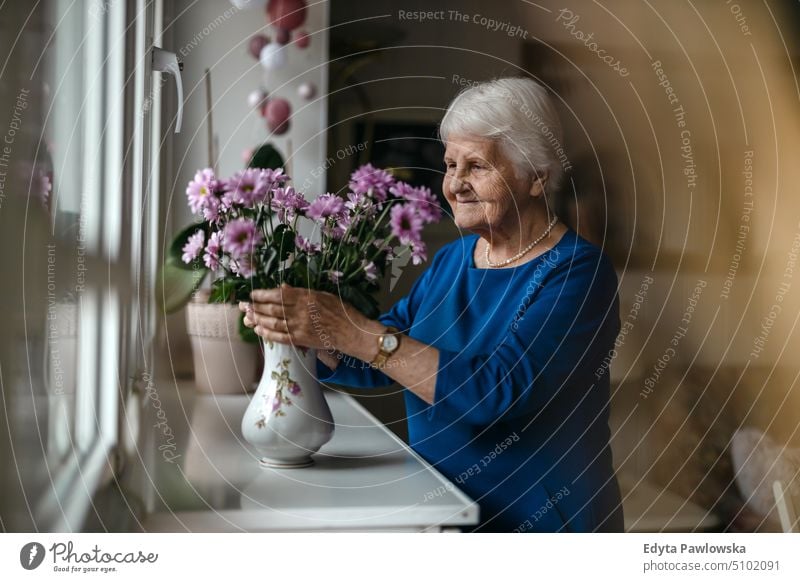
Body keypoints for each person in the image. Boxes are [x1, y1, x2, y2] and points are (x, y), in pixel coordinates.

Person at [240, 77, 624, 532]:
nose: (456, 184)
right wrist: (305, 333)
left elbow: (497, 393)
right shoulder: (454, 260)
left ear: (536, 177)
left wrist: (353, 332)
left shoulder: (577, 272)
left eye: (477, 166)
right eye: (450, 164)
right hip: (442, 512)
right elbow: (380, 355)